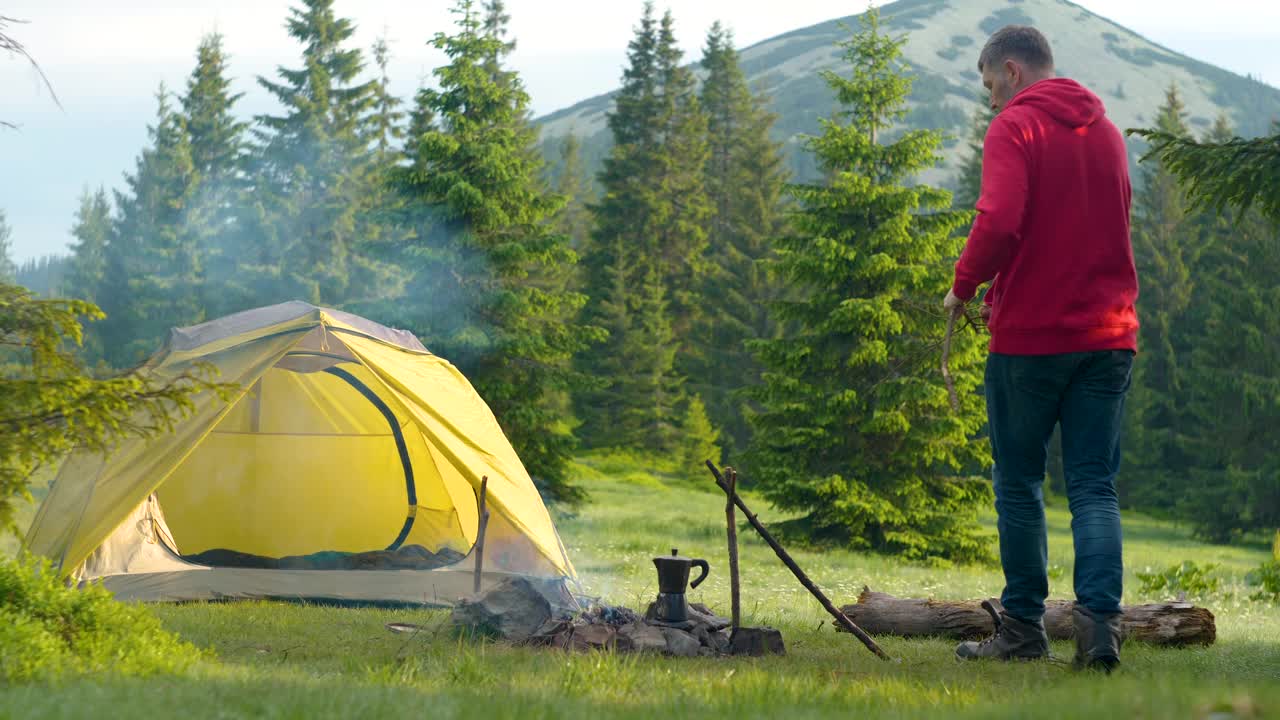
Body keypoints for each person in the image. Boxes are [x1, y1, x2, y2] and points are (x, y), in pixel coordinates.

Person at [944, 25, 1139, 673]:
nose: (991, 97)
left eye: (989, 82)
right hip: (1109, 338)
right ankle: (1100, 634)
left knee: (1020, 482)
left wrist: (964, 287)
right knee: (1093, 485)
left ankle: (1023, 629)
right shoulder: (1107, 133)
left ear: (1012, 71)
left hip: (1031, 340)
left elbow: (999, 218)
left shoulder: (1014, 128)